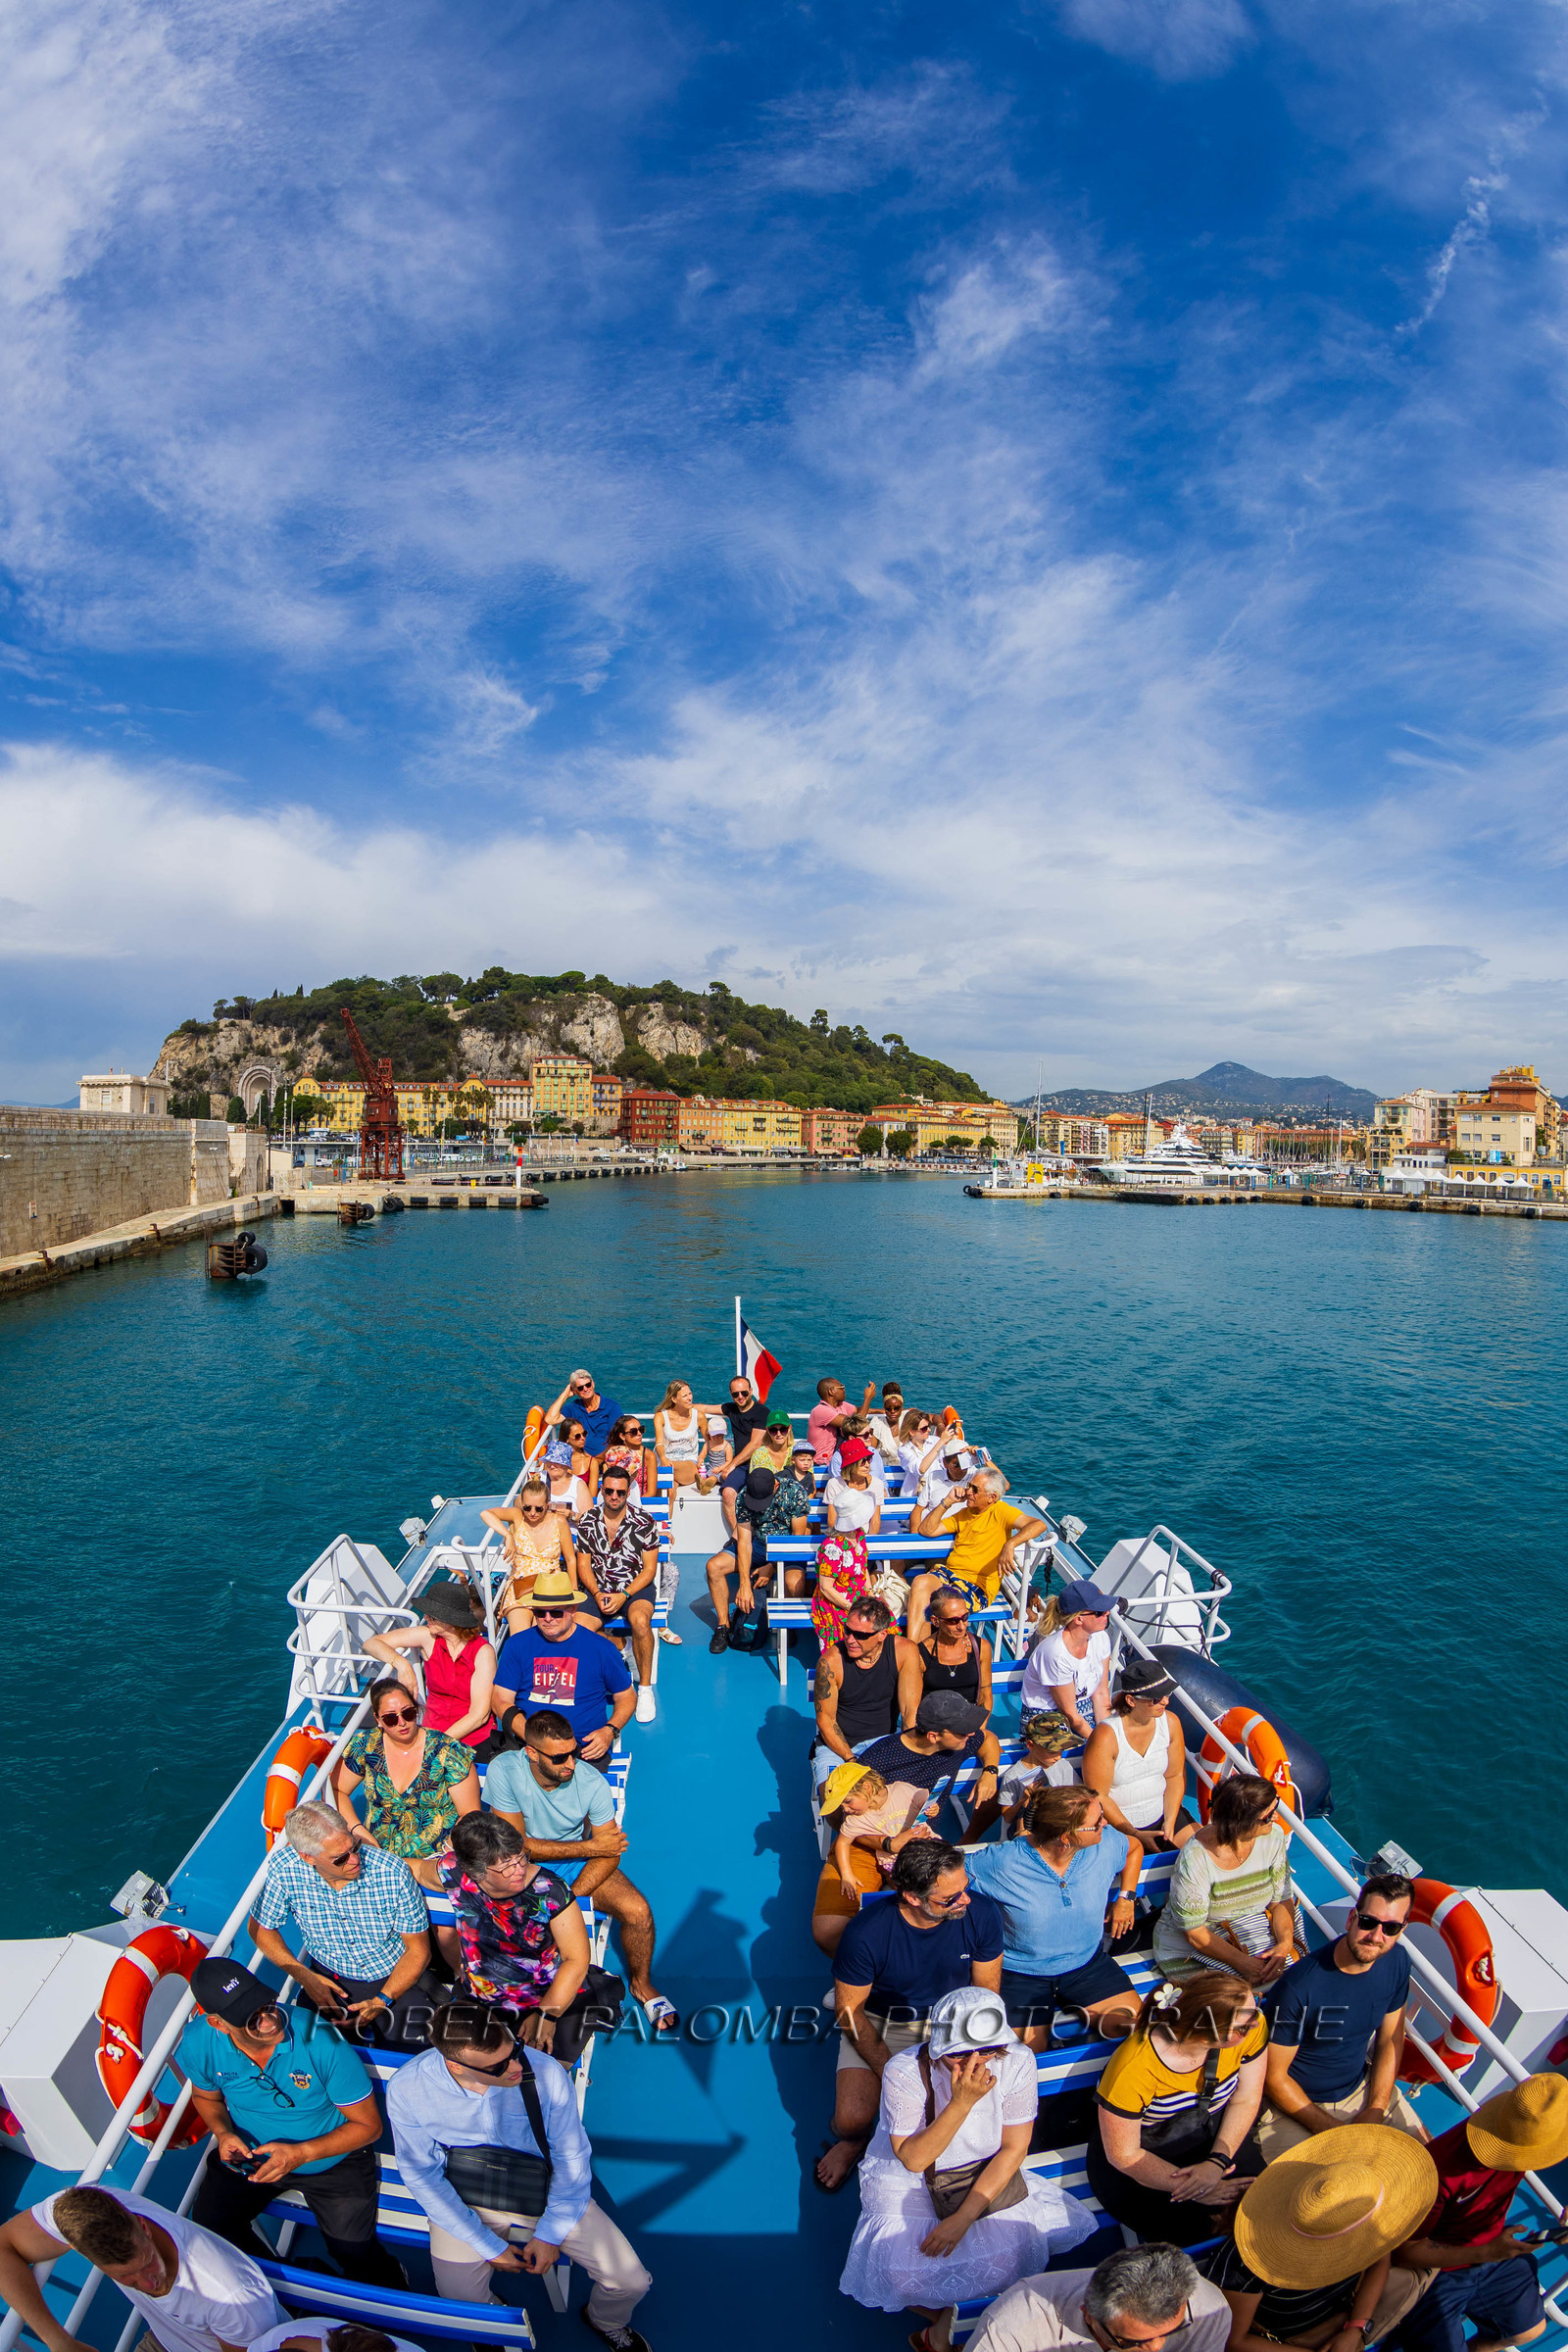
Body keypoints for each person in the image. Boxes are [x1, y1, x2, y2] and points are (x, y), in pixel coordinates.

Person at [839, 1984, 1097, 2351]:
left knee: (1007, 2264)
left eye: (989, 2050)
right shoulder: (904, 2071)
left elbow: (1014, 2147)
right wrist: (960, 2103)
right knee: (897, 2276)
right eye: (960, 2054)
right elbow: (912, 2158)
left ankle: (942, 2333)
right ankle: (950, 2325)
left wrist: (963, 2218)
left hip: (981, 2167)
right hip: (910, 2177)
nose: (975, 2064)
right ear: (941, 2046)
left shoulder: (1018, 2060)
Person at [386, 2000, 654, 2350]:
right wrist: (486, 2245)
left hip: (544, 2189)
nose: (515, 2066)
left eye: (514, 2049)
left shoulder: (544, 2072)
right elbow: (421, 2173)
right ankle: (490, 2322)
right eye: (499, 2066)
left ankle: (605, 2319)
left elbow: (570, 2157)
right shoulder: (408, 2089)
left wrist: (550, 2234)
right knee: (457, 2297)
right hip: (466, 2192)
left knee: (630, 2280)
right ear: (456, 2066)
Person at [181, 1956, 404, 2284]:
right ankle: (275, 2286)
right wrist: (224, 2133)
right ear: (219, 2024)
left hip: (331, 2159)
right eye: (251, 2018)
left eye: (268, 2005)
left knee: (353, 2252)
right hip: (252, 2156)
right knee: (210, 2229)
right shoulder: (198, 2041)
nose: (270, 2020)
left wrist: (299, 2154)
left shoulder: (320, 2038)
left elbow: (369, 2127)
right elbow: (206, 2097)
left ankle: (392, 2283)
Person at [816, 1840, 1005, 2193]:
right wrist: (897, 2072)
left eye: (966, 1888)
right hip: (882, 2022)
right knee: (850, 2120)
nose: (965, 1900)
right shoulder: (864, 1935)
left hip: (953, 2023)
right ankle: (855, 2141)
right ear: (913, 1898)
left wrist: (966, 2051)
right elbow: (850, 2013)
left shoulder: (982, 1913)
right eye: (950, 1899)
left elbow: (985, 1996)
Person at [486, 1706, 679, 2036]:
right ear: (531, 1753)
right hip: (521, 1866)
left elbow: (611, 1853)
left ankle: (642, 1983)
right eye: (559, 1758)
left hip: (574, 1866)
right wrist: (589, 1848)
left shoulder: (591, 1782)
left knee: (638, 1912)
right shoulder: (504, 1769)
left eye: (573, 1753)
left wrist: (569, 1899)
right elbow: (515, 1847)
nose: (571, 1764)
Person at [1200, 2123, 1440, 2352]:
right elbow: (1234, 2341)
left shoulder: (1360, 2218)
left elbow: (1380, 2261)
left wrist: (1354, 2329)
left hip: (1346, 2323)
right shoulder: (1246, 2259)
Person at [1388, 2073, 1568, 2352]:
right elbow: (1405, 2253)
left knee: (1528, 2330)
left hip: (1492, 2246)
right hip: (1437, 2267)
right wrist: (1487, 2253)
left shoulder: (1522, 2124)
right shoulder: (1440, 2170)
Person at [1087, 1971, 1269, 2244]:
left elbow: (1245, 2099)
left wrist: (1217, 2162)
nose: (1255, 2025)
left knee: (1267, 2205)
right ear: (1209, 2033)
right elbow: (1124, 2155)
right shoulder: (1133, 2067)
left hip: (1213, 2134)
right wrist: (1195, 2188)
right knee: (1197, 2232)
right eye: (1243, 2026)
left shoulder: (1254, 2024)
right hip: (1145, 2159)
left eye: (1255, 2003)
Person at [1259, 1872, 1425, 2156]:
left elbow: (1390, 2040)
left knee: (1427, 2163)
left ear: (1403, 1929)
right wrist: (1333, 2131)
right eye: (1368, 1922)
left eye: (1391, 1928)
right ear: (1352, 1918)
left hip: (1362, 2089)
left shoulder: (1397, 1962)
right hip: (1296, 2106)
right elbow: (1275, 2078)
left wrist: (1375, 2108)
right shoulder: (1299, 1987)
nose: (1376, 1936)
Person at [0, 2185, 282, 2352]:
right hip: (166, 2340)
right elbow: (3, 2247)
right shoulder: (90, 2210)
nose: (148, 2285)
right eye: (126, 2279)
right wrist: (58, 2339)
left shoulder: (231, 2296)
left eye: (147, 2263)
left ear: (144, 2227)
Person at [966, 1783, 1143, 2048]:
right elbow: (951, 1878)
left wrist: (1126, 1898)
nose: (1105, 1824)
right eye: (1096, 1822)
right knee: (1022, 2059)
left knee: (1141, 2033)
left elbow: (1134, 1848)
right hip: (1020, 1974)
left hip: (1087, 1965)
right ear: (1066, 1837)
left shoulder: (1104, 1844)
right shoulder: (1000, 1862)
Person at [250, 1799, 434, 2046]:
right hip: (328, 1978)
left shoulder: (392, 1872)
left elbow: (418, 1950)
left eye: (355, 1847)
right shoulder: (285, 1869)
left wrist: (381, 2001)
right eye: (340, 1858)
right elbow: (260, 1928)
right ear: (307, 1858)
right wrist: (305, 1976)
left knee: (419, 2052)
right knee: (304, 2053)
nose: (355, 1859)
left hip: (394, 1977)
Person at [434, 1812, 590, 2055]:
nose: (518, 1870)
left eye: (521, 1858)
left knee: (539, 2071)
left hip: (544, 1995)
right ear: (476, 1872)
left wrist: (546, 2014)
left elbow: (576, 1959)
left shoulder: (549, 1890)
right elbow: (413, 1869)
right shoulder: (453, 1871)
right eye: (506, 1867)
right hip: (478, 1997)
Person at [332, 1678, 480, 1889]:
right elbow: (337, 1790)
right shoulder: (365, 1746)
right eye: (391, 1718)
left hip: (433, 1861)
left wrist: (449, 1849)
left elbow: (470, 1813)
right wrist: (358, 1831)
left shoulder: (447, 1751)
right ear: (378, 1719)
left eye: (408, 1713)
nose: (402, 1722)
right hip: (376, 1856)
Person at [1153, 1775, 1298, 1986]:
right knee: (1230, 1996)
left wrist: (1284, 1946)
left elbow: (1280, 1901)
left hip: (1248, 1928)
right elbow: (1194, 1933)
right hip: (1194, 1947)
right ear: (1240, 1822)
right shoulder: (1196, 1859)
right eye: (1267, 1817)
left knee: (1296, 1978)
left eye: (1275, 1808)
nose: (1275, 1819)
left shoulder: (1273, 1837)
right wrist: (1245, 1964)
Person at [967, 2241, 1235, 2352]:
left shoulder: (1207, 2309)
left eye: (1174, 2330)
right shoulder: (1011, 2329)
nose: (1157, 2348)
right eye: (1133, 2343)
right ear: (1089, 2315)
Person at [492, 1569, 635, 1762]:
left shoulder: (601, 1649)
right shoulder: (517, 1645)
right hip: (529, 1749)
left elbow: (626, 1696)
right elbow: (500, 1699)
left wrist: (610, 1731)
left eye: (556, 1612)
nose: (548, 1619)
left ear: (573, 1609)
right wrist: (536, 1740)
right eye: (540, 1612)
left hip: (583, 1752)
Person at [811, 1759, 941, 1956]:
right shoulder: (855, 1819)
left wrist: (933, 1808)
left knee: (940, 1885)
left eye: (847, 1801)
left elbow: (924, 1798)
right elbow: (843, 1842)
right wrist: (847, 1875)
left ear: (867, 1787)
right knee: (913, 1896)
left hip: (928, 1848)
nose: (845, 1810)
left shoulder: (901, 1790)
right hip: (895, 1862)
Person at [908, 1471, 1049, 1642]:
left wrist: (1010, 1544)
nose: (968, 1491)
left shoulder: (1001, 1511)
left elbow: (1038, 1525)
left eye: (975, 1489)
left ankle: (916, 1654)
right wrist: (947, 1502)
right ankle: (915, 1651)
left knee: (937, 1603)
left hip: (976, 1586)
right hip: (950, 1574)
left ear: (991, 1497)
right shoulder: (965, 1513)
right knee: (920, 1582)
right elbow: (927, 1530)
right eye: (969, 1486)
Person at [363, 1584, 497, 1756]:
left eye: (432, 1615)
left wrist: (434, 1745)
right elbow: (371, 1643)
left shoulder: (483, 1652)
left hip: (473, 1739)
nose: (425, 1617)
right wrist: (401, 1663)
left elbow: (479, 1715)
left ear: (452, 1619)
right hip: (431, 1733)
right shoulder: (429, 1637)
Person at [571, 1467, 662, 1718]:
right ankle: (620, 1648)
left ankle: (644, 1689)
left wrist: (624, 1594)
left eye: (620, 1492)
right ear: (601, 1489)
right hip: (597, 1587)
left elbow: (649, 1570)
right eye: (609, 1490)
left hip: (635, 1588)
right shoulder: (588, 1520)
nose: (614, 1496)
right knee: (577, 1630)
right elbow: (583, 1565)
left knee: (641, 1622)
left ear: (628, 1492)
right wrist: (597, 1593)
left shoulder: (644, 1521)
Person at [1083, 1655, 1196, 1852]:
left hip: (1164, 1813)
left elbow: (1175, 1775)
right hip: (1119, 1826)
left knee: (1205, 1852)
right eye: (1157, 1698)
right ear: (1131, 1700)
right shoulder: (1106, 1736)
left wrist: (1169, 1821)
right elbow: (1099, 1794)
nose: (1166, 1701)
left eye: (1167, 1695)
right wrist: (1134, 1834)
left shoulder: (1170, 1723)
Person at [812, 1596, 924, 1783]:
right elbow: (826, 1720)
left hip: (885, 1743)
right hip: (839, 1749)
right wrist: (851, 1760)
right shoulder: (831, 1662)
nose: (850, 1639)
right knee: (836, 1802)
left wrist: (907, 1755)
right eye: (847, 1631)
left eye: (861, 1635)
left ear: (882, 1635)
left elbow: (909, 1711)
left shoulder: (905, 1652)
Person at [852, 1690, 1003, 1829]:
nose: (970, 1734)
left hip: (925, 1839)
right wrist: (887, 1845)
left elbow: (988, 1737)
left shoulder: (954, 1744)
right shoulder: (878, 1759)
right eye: (963, 1732)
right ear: (933, 1736)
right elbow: (851, 1816)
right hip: (883, 1837)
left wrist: (990, 1772)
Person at [705, 1464, 804, 1653]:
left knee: (793, 1583)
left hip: (786, 1547)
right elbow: (744, 1541)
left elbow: (796, 1538)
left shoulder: (794, 1492)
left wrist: (771, 1566)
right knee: (713, 1567)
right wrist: (743, 1585)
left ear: (775, 1486)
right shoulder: (744, 1496)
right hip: (757, 1545)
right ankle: (723, 1626)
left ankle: (789, 1624)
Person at [1020, 1582, 1118, 1742]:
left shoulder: (1101, 1638)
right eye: (1099, 1612)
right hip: (1046, 1720)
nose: (1107, 1613)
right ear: (1079, 1619)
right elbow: (1070, 1713)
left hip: (1082, 1712)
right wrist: (1101, 1743)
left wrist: (1107, 1735)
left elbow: (1101, 1695)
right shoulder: (1055, 1653)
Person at [481, 1478, 579, 1633]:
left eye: (539, 1509)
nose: (532, 1513)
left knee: (547, 1633)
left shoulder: (558, 1521)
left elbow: (570, 1559)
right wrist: (508, 1535)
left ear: (547, 1504)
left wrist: (573, 1592)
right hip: (521, 1587)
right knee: (520, 1635)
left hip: (551, 1586)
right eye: (527, 1508)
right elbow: (485, 1513)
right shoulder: (516, 1516)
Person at [967, 1710, 1078, 1841]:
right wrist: (1023, 1800)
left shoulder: (1063, 1765)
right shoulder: (1013, 1776)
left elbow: (1078, 1797)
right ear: (1030, 1745)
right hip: (1021, 1839)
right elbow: (1007, 1817)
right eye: (1051, 1752)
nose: (1058, 1757)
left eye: (1062, 1750)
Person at [916, 1588, 994, 1724]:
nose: (962, 1626)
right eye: (953, 1621)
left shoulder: (981, 1647)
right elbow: (913, 1702)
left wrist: (979, 1728)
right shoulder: (921, 1653)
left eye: (965, 1617)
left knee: (991, 1742)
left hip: (968, 1723)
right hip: (935, 1726)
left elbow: (985, 1692)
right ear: (935, 1621)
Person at [653, 1379, 724, 1487]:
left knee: (669, 1470)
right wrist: (663, 1458)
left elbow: (709, 1443)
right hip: (665, 1461)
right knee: (669, 1491)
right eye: (685, 1396)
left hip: (689, 1463)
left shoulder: (699, 1416)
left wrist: (715, 1466)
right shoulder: (661, 1416)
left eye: (690, 1393)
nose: (690, 1398)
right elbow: (659, 1442)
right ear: (674, 1399)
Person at [812, 1528, 873, 1646]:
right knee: (852, 1625)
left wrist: (871, 1592)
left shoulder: (859, 1534)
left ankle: (872, 1660)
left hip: (859, 1594)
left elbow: (862, 1567)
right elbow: (826, 1588)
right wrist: (851, 1607)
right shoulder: (831, 1547)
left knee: (880, 1617)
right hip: (835, 1599)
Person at [545, 1369, 623, 1459]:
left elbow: (616, 1439)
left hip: (606, 1459)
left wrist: (596, 1461)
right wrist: (565, 1395)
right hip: (580, 1462)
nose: (585, 1389)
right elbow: (550, 1419)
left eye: (588, 1385)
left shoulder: (612, 1407)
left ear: (593, 1384)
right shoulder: (573, 1408)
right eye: (580, 1388)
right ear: (575, 1391)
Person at [909, 1430, 975, 1533]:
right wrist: (914, 1537)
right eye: (956, 1465)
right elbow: (918, 1509)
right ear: (945, 1463)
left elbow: (1004, 1486)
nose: (962, 1469)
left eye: (965, 1463)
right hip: (931, 1530)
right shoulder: (935, 1476)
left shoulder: (974, 1476)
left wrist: (982, 1456)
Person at [809, 1374, 877, 1463]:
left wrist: (883, 1411)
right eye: (841, 1387)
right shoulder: (821, 1411)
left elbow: (859, 1410)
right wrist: (867, 1398)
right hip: (822, 1462)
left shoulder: (841, 1405)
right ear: (831, 1391)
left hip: (839, 1458)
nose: (844, 1390)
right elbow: (857, 1423)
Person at [824, 1438, 883, 1536]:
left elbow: (875, 1521)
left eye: (868, 1459)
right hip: (841, 1537)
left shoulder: (877, 1484)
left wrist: (868, 1544)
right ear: (851, 1465)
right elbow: (832, 1522)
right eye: (863, 1461)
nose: (867, 1465)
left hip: (865, 1537)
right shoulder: (834, 1484)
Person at [544, 1417, 594, 1517]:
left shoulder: (591, 1462)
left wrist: (572, 1515)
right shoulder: (544, 1474)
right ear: (567, 1439)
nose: (583, 1438)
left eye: (584, 1434)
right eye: (577, 1436)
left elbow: (591, 1497)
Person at [600, 1415, 658, 1496]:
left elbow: (651, 1492)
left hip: (640, 1501)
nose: (639, 1434)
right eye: (633, 1432)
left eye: (641, 1429)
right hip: (615, 1498)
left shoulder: (648, 1456)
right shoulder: (614, 1453)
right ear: (622, 1436)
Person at [722, 1371, 771, 1466]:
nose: (740, 1397)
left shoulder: (761, 1412)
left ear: (750, 1391)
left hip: (759, 1464)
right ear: (731, 1394)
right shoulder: (731, 1409)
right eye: (735, 1394)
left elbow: (755, 1444)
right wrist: (685, 1405)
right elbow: (706, 1408)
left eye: (744, 1393)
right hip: (740, 1465)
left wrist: (731, 1465)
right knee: (729, 1481)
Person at [866, 1383, 906, 1465]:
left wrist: (940, 1425)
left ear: (902, 1407)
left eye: (896, 1408)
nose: (892, 1412)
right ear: (884, 1408)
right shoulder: (877, 1423)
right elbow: (871, 1450)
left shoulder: (907, 1418)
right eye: (888, 1409)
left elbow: (931, 1417)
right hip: (885, 1469)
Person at [695, 1414, 733, 1492]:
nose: (717, 1438)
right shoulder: (708, 1444)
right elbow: (702, 1454)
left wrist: (720, 1468)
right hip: (712, 1469)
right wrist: (700, 1459)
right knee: (704, 1473)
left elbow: (729, 1461)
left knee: (714, 1477)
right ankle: (703, 1484)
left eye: (720, 1435)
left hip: (723, 1470)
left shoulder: (727, 1446)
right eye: (714, 1435)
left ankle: (707, 1483)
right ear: (709, 1433)